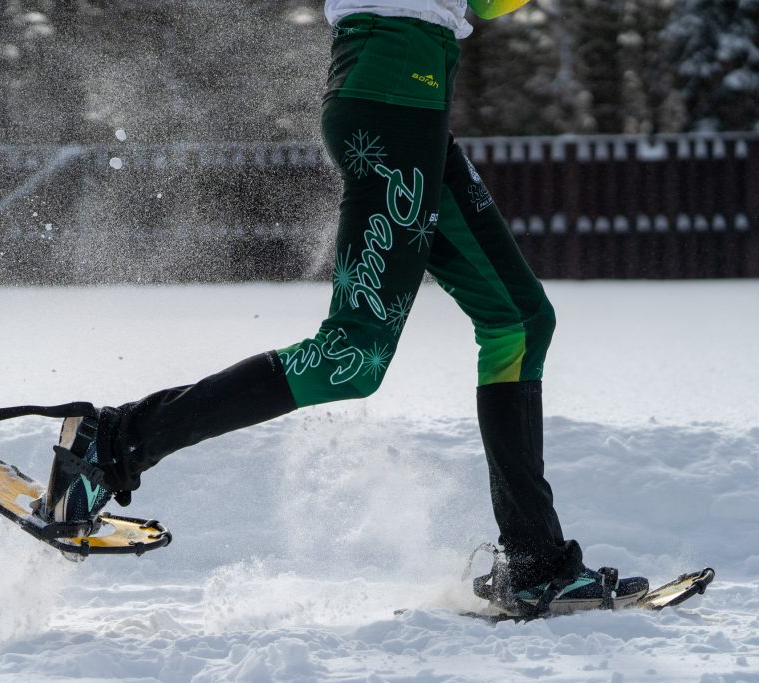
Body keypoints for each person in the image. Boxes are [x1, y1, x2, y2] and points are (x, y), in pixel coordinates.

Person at [39, 0, 649, 615]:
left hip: (413, 89)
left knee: (518, 320)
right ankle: (115, 443)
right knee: (351, 357)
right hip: (392, 89)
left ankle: (534, 563)